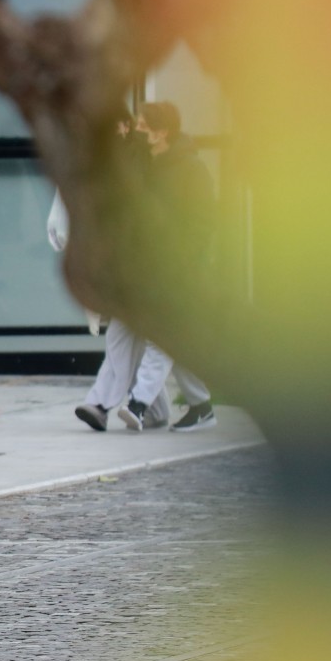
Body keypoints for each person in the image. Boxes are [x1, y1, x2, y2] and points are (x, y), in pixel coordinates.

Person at [68, 103, 217, 432]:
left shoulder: (190, 169)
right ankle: (189, 406)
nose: (136, 130)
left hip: (175, 271)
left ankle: (136, 404)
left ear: (162, 131)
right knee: (126, 334)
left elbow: (205, 221)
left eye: (142, 125)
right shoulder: (144, 160)